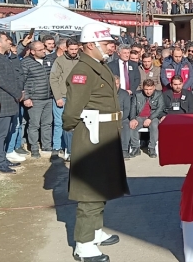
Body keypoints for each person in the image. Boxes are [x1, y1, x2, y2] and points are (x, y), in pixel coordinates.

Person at [62, 24, 129, 261]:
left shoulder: (98, 67)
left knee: (101, 186)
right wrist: (73, 127)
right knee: (90, 190)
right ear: (91, 44)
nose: (111, 47)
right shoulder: (83, 70)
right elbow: (71, 111)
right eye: (107, 44)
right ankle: (84, 243)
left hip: (105, 134)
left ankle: (95, 231)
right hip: (92, 135)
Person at [0, 32, 24, 173]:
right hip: (5, 100)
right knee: (0, 133)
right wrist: (17, 93)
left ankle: (2, 158)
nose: (9, 42)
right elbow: (1, 80)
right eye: (6, 40)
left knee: (7, 132)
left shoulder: (4, 57)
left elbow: (14, 77)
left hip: (11, 100)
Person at [21, 41, 54, 158]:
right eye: (40, 50)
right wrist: (26, 97)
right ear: (33, 51)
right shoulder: (26, 63)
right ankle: (34, 147)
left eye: (44, 48)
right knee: (34, 124)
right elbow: (22, 81)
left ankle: (46, 145)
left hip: (49, 97)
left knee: (47, 123)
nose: (43, 51)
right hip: (35, 99)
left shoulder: (48, 60)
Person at [50, 39, 79, 160]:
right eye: (71, 49)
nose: (73, 52)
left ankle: (72, 149)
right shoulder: (59, 60)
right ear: (66, 48)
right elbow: (53, 79)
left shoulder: (81, 60)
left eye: (76, 49)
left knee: (74, 124)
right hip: (62, 96)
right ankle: (56, 148)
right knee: (58, 123)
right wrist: (57, 97)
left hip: (76, 98)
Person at [130, 79, 165, 159]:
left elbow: (160, 108)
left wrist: (150, 118)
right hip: (140, 116)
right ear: (143, 88)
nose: (148, 92)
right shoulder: (137, 94)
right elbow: (133, 107)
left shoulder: (159, 94)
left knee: (154, 126)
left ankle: (151, 148)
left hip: (153, 116)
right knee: (132, 126)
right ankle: (136, 148)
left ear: (154, 88)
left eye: (150, 89)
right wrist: (132, 119)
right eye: (146, 89)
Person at [113, 75, 132, 160]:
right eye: (113, 83)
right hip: (110, 117)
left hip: (122, 117)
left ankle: (124, 150)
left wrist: (121, 118)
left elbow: (127, 108)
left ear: (119, 84)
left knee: (125, 125)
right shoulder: (106, 94)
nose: (115, 85)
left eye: (117, 83)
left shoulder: (124, 94)